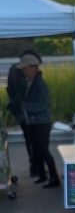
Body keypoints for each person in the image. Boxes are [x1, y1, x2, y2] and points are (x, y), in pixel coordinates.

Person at [17, 54, 59, 189]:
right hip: (34, 122)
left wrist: (26, 106)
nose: (23, 71)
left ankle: (54, 177)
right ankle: (42, 175)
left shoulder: (40, 84)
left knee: (43, 150)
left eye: (25, 68)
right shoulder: (29, 82)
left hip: (42, 122)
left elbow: (44, 104)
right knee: (36, 149)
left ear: (32, 68)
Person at [6, 49, 43, 177]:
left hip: (21, 111)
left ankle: (35, 167)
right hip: (27, 112)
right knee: (33, 140)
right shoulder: (21, 72)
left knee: (30, 140)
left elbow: (10, 90)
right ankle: (36, 167)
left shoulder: (13, 70)